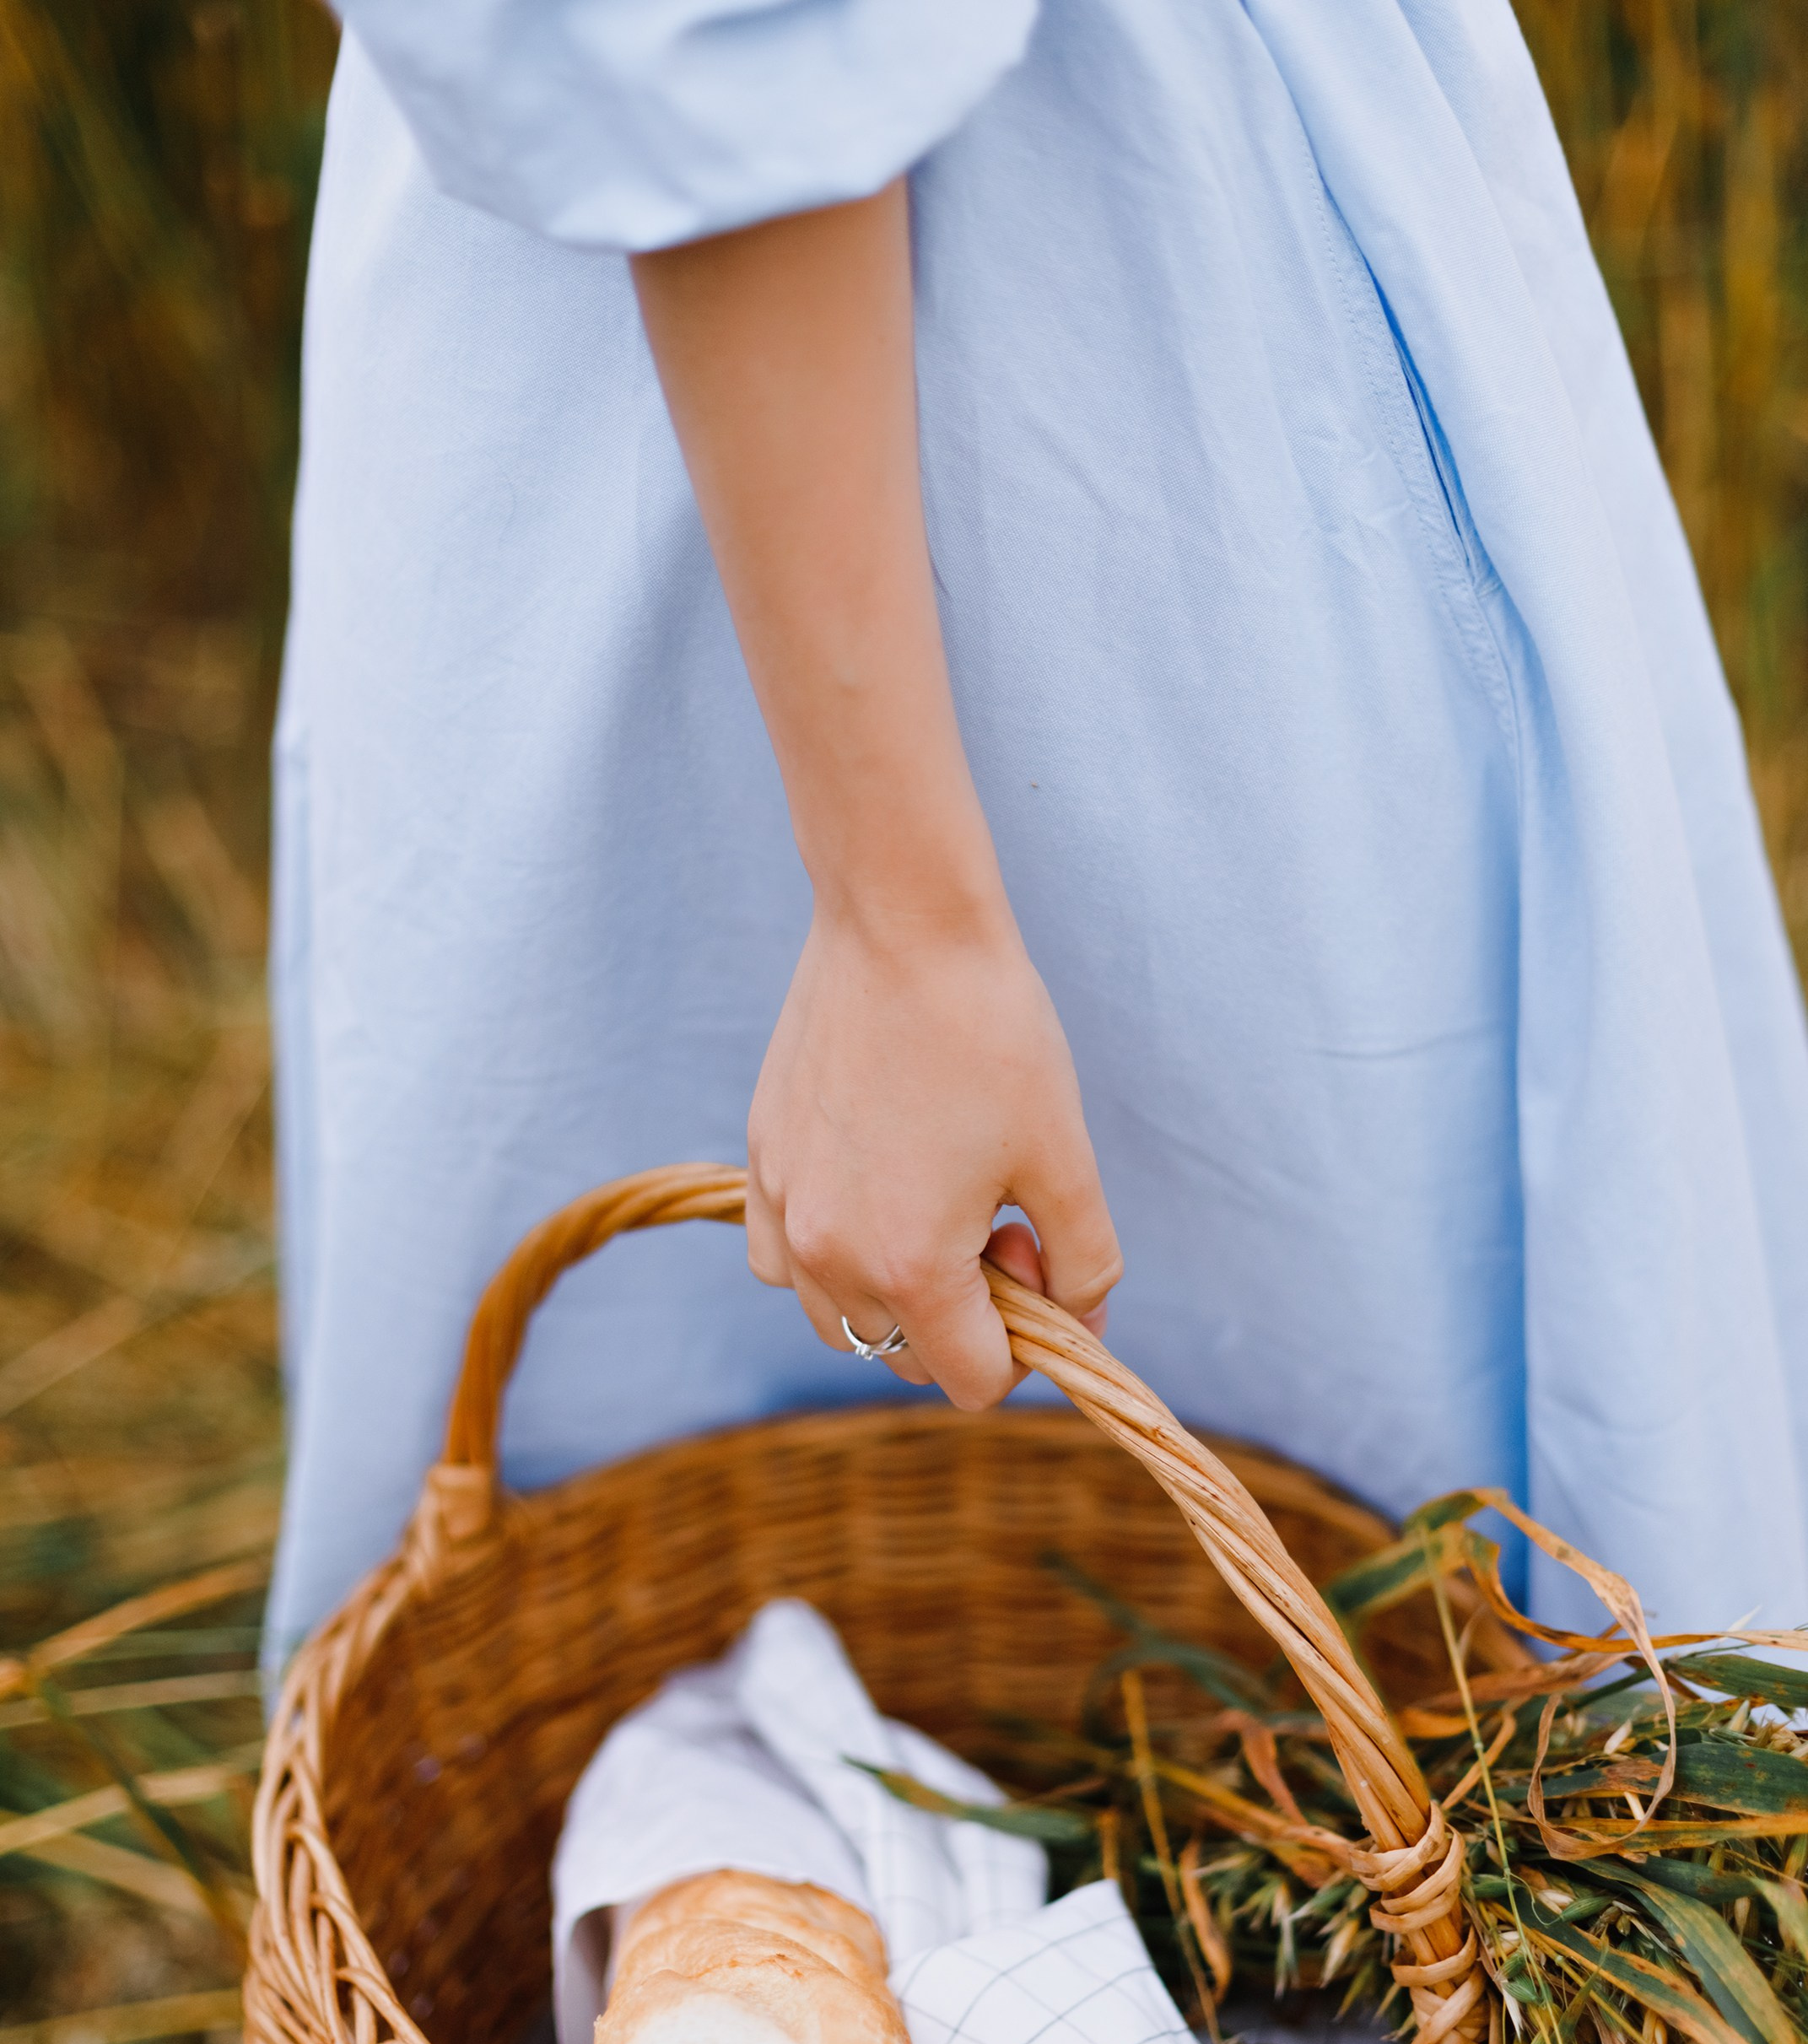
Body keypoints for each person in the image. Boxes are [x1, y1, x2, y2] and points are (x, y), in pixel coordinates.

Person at [267, 0, 1808, 1668]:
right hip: (852, 297)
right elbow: (696, 56)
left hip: (1210, 235)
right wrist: (892, 918)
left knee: (1346, 1343)